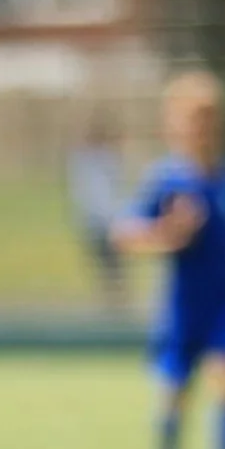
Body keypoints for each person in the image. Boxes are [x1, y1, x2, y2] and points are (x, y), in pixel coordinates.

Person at [114, 71, 225, 449]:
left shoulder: (221, 180)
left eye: (208, 119)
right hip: (184, 306)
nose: (201, 128)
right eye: (192, 119)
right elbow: (123, 233)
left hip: (223, 305)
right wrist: (167, 232)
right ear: (174, 125)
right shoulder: (166, 180)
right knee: (175, 393)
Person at [69, 116, 126, 309]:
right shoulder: (83, 160)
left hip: (107, 220)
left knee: (113, 264)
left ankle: (115, 299)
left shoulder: (105, 158)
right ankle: (110, 299)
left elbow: (112, 189)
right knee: (104, 263)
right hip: (95, 221)